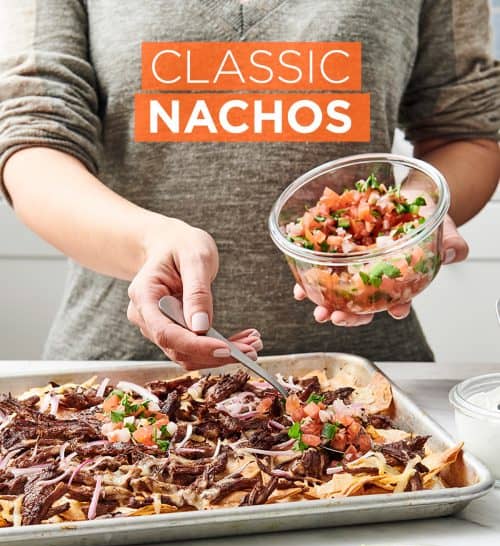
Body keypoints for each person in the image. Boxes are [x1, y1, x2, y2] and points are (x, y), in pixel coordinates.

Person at [0, 0, 499, 368]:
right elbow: (33, 143)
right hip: (119, 373)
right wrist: (149, 242)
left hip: (368, 377)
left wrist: (407, 221)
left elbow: (469, 130)